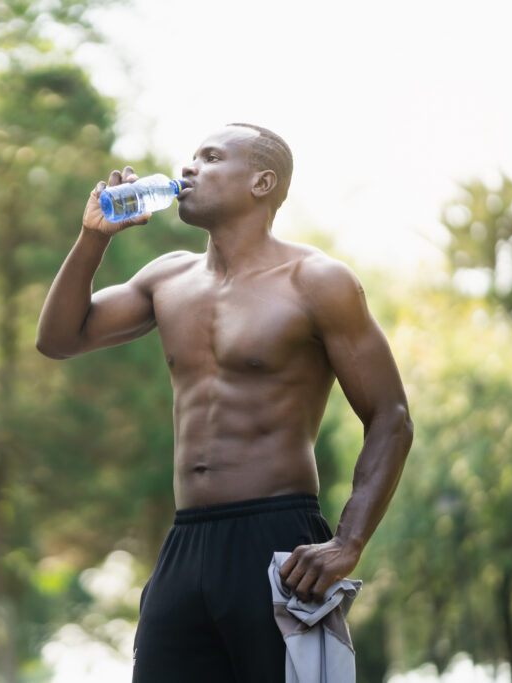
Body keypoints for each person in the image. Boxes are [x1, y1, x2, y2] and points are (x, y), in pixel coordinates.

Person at [35, 123, 414, 682]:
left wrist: (348, 542)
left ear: (263, 183)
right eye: (191, 157)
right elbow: (59, 339)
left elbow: (392, 418)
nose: (189, 168)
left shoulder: (317, 281)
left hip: (276, 541)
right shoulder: (167, 278)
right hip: (185, 543)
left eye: (210, 158)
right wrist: (94, 238)